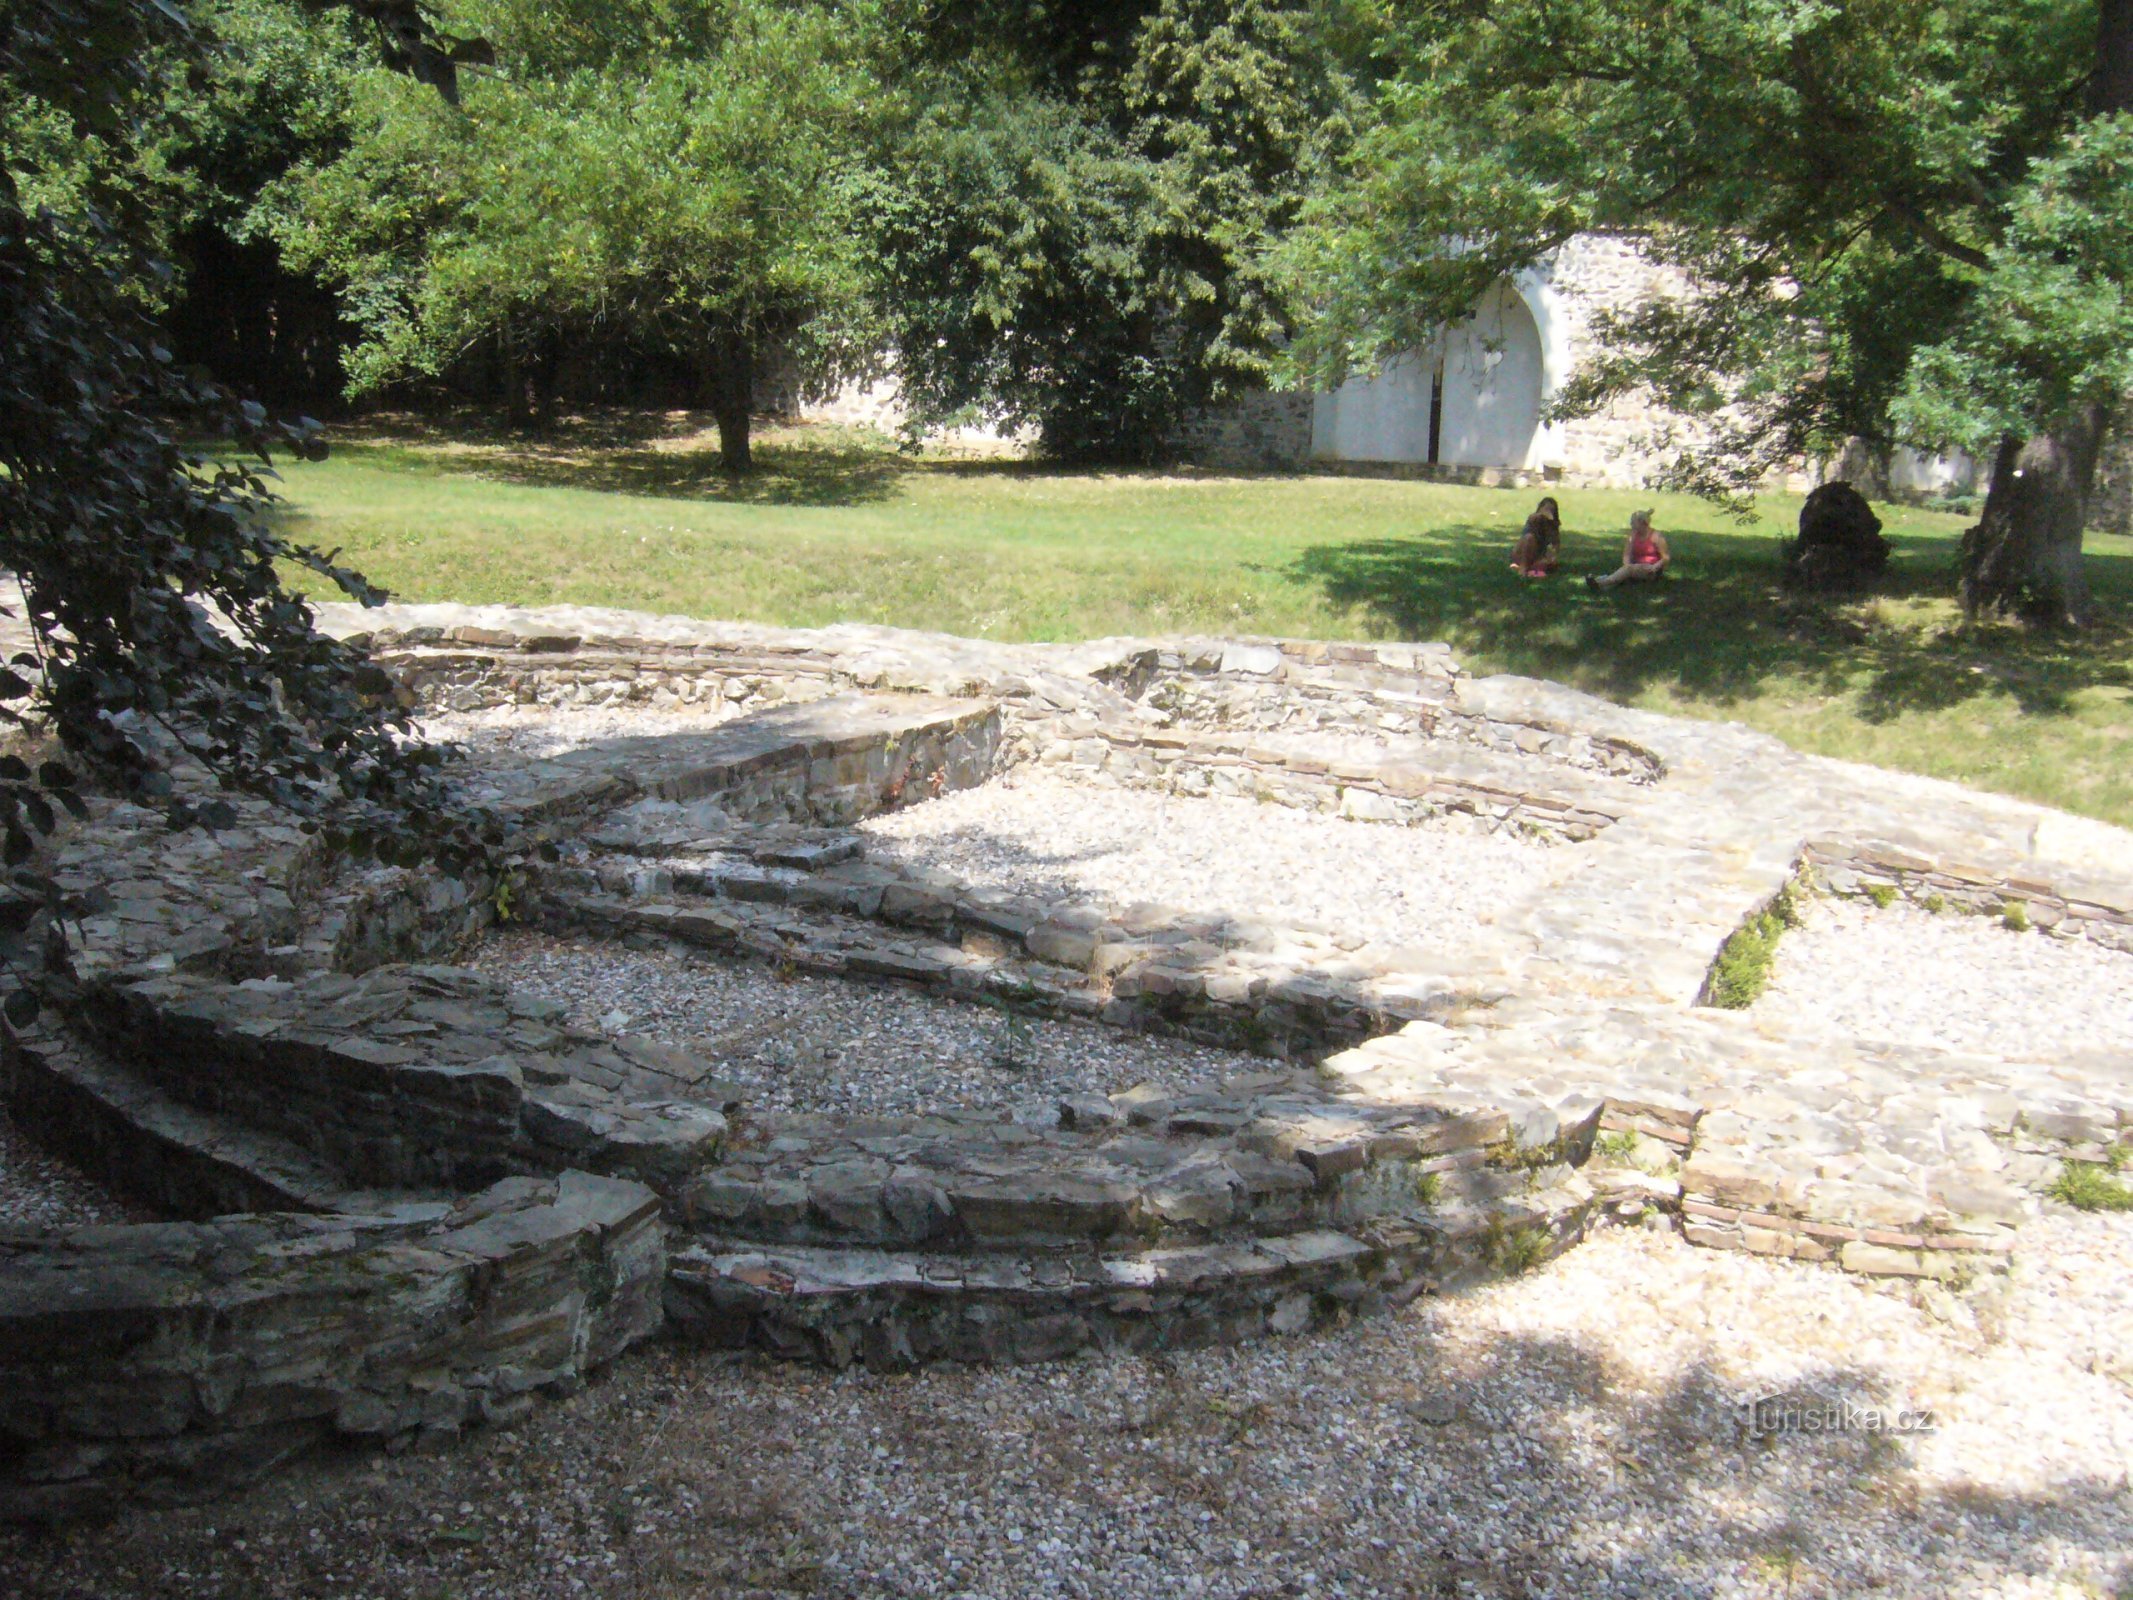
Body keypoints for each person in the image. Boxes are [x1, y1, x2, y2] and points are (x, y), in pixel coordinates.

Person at [1586, 510, 1669, 589]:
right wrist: (1627, 565)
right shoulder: (1632, 536)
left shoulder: (1656, 536)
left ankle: (1600, 582)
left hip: (1651, 569)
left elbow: (1665, 558)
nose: (1631, 525)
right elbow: (1627, 554)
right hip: (1634, 567)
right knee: (1624, 574)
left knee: (1627, 571)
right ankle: (1600, 585)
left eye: (1633, 522)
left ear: (1642, 523)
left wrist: (1655, 567)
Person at [1508, 496, 1562, 578]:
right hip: (1523, 552)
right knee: (1529, 538)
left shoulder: (1553, 526)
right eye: (1546, 508)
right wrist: (1542, 515)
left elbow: (1554, 547)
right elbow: (1528, 535)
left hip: (1538, 555)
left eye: (1551, 509)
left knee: (1546, 564)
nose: (1548, 511)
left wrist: (1551, 559)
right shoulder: (1533, 519)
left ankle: (1526, 568)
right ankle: (1523, 568)